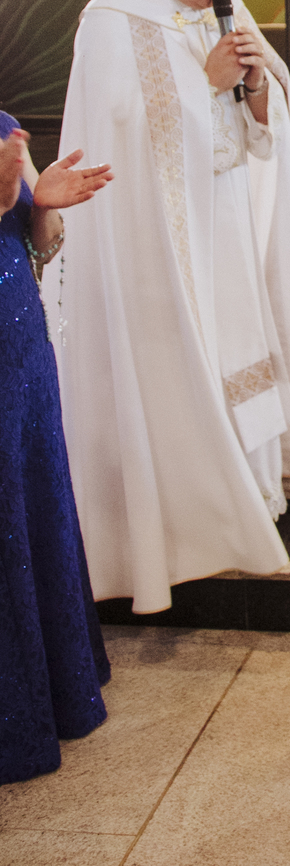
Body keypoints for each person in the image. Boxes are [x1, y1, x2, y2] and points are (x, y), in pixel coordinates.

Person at [47, 0, 290, 617]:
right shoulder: (112, 20)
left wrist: (255, 84)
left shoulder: (223, 7)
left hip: (224, 217)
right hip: (155, 240)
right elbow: (118, 128)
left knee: (238, 348)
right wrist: (207, 83)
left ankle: (255, 489)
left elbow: (264, 110)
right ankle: (186, 523)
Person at [1, 115, 113, 784]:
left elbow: (38, 251)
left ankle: (56, 688)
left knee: (33, 501)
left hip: (21, 350)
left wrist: (41, 207)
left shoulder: (5, 132)